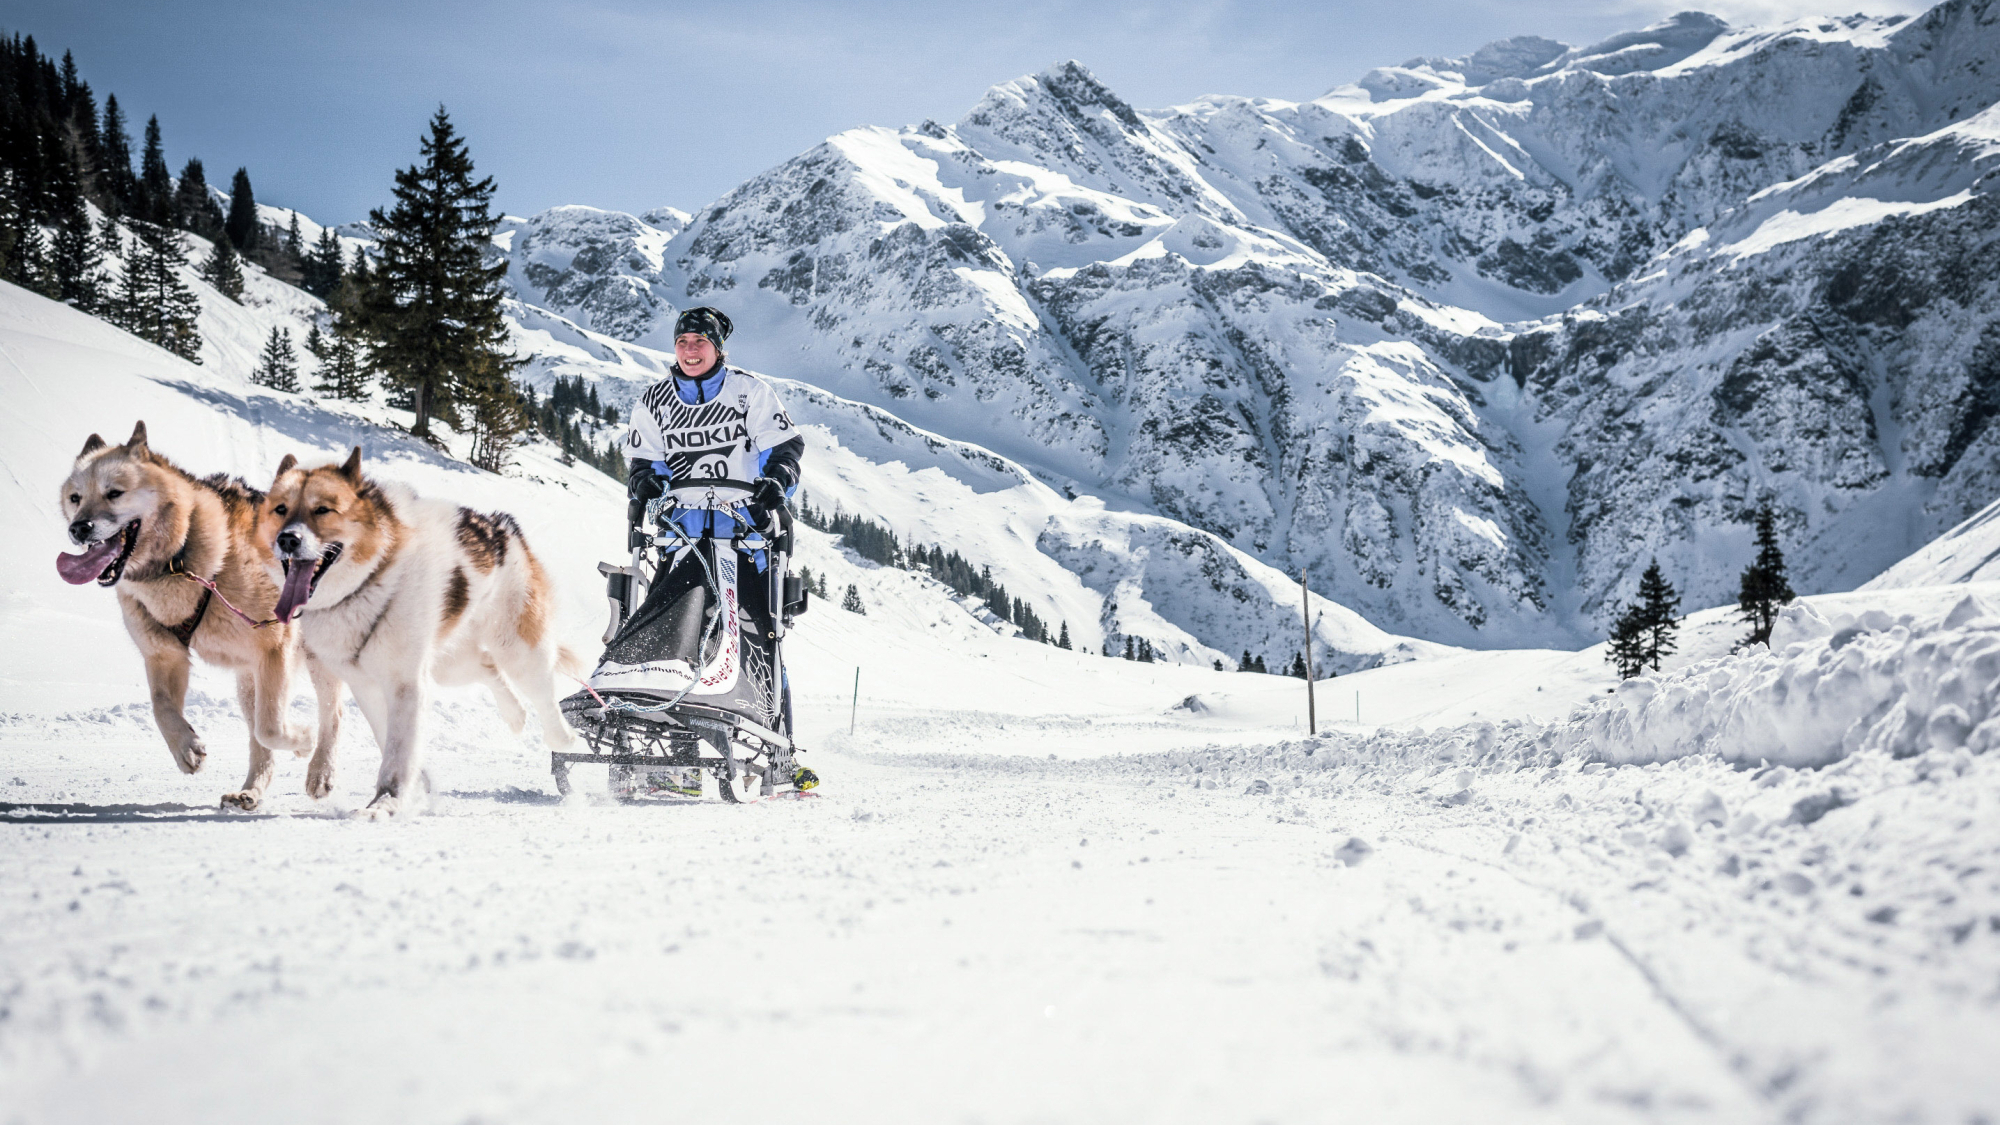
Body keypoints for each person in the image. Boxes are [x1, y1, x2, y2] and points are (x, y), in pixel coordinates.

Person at [625, 306, 803, 523]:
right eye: (682, 341)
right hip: (679, 524)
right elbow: (644, 463)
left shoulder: (750, 391)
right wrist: (645, 482)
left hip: (747, 521)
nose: (690, 349)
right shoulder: (653, 401)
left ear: (717, 348)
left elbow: (782, 450)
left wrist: (776, 480)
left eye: (700, 340)